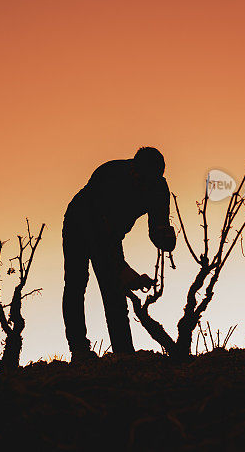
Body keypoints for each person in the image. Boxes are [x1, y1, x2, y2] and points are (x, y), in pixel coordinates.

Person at [62, 146, 177, 360]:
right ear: (133, 168)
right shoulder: (109, 175)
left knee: (113, 291)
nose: (146, 184)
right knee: (77, 284)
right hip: (79, 223)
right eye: (142, 178)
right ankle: (79, 349)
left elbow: (157, 226)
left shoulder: (158, 188)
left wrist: (165, 239)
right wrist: (123, 270)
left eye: (152, 179)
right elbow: (99, 236)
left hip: (111, 234)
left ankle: (123, 353)